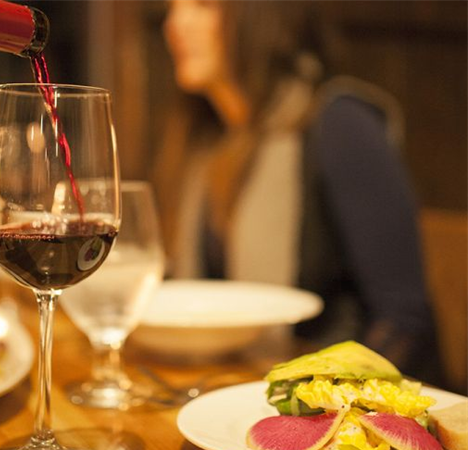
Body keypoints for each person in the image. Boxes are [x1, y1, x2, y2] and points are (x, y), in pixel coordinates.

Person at [150, 0, 444, 385]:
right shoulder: (207, 143)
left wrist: (315, 402)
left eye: (202, 4)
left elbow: (404, 320)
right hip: (229, 382)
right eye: (173, 7)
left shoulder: (341, 124)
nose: (176, 24)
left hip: (337, 397)